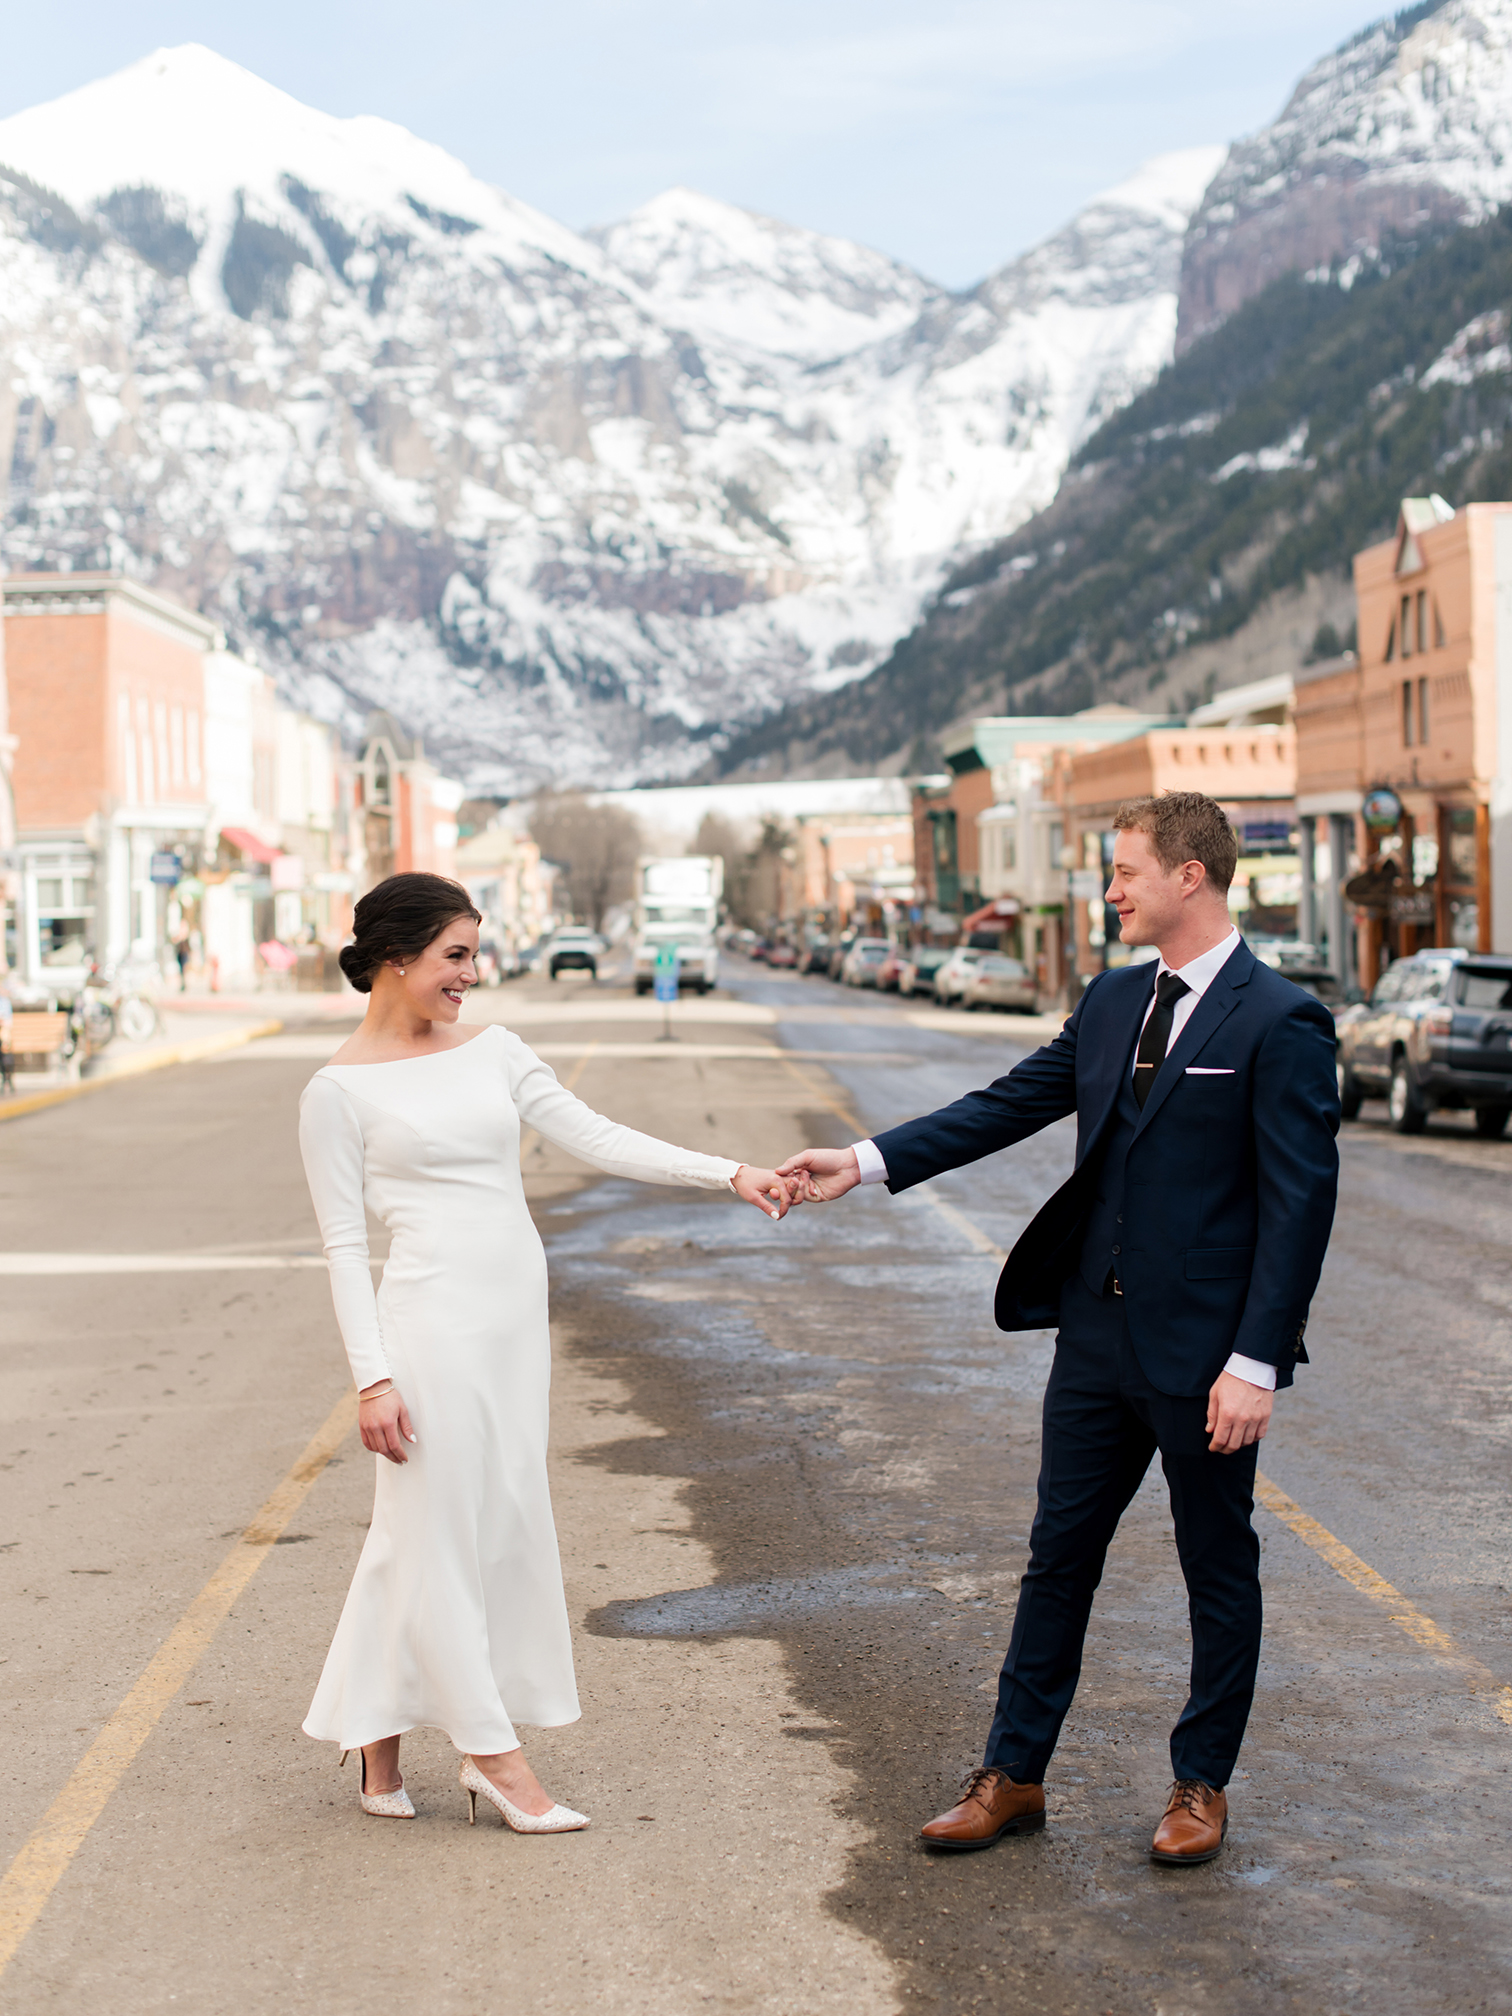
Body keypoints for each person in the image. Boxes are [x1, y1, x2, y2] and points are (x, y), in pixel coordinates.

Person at [778, 793, 1339, 1867]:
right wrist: (865, 1161)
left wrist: (1255, 1362)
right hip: (1093, 1338)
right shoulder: (1114, 996)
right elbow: (1006, 1103)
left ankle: (1200, 1785)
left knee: (1215, 1568)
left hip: (1207, 1356)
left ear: (1191, 877)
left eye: (1127, 871)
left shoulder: (1281, 1021)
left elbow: (1299, 1206)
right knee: (1056, 1559)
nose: (1111, 890)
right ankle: (1015, 1773)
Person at [299, 871, 796, 1830]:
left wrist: (729, 1172)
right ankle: (494, 1758)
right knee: (441, 1528)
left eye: (474, 955)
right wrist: (372, 1377)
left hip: (513, 1320)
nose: (471, 976)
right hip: (430, 1324)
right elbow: (342, 1245)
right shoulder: (335, 1093)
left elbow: (597, 1137)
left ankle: (378, 1744)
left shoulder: (496, 1051)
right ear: (396, 957)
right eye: (455, 956)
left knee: (459, 1524)